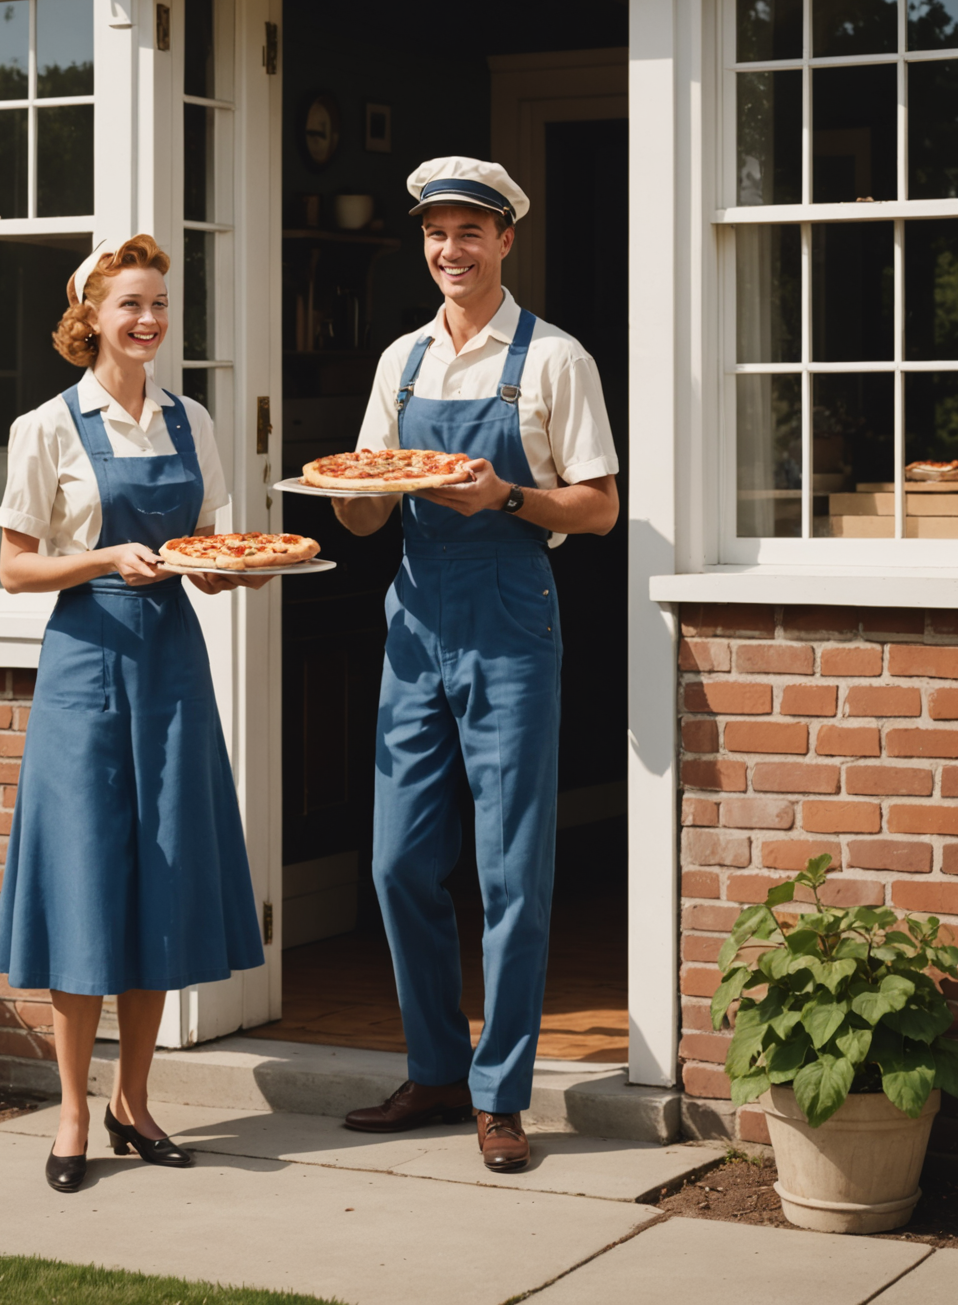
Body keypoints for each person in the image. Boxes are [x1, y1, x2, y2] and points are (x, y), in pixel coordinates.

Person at [336, 158, 620, 1173]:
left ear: (505, 241)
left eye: (469, 232)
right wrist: (345, 494)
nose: (449, 251)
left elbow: (598, 506)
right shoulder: (401, 363)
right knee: (399, 861)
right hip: (414, 620)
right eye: (434, 234)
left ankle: (501, 1096)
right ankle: (434, 1070)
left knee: (511, 871)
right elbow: (369, 501)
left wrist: (505, 495)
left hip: (510, 619)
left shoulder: (554, 361)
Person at [0, 234, 266, 1195]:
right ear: (90, 319)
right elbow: (16, 567)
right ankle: (70, 1111)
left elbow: (215, 546)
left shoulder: (193, 420)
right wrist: (108, 559)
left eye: (158, 305)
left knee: (160, 878)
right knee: (85, 888)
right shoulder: (49, 427)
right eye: (130, 306)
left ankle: (133, 1101)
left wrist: (230, 571)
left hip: (173, 665)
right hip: (86, 668)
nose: (148, 321)